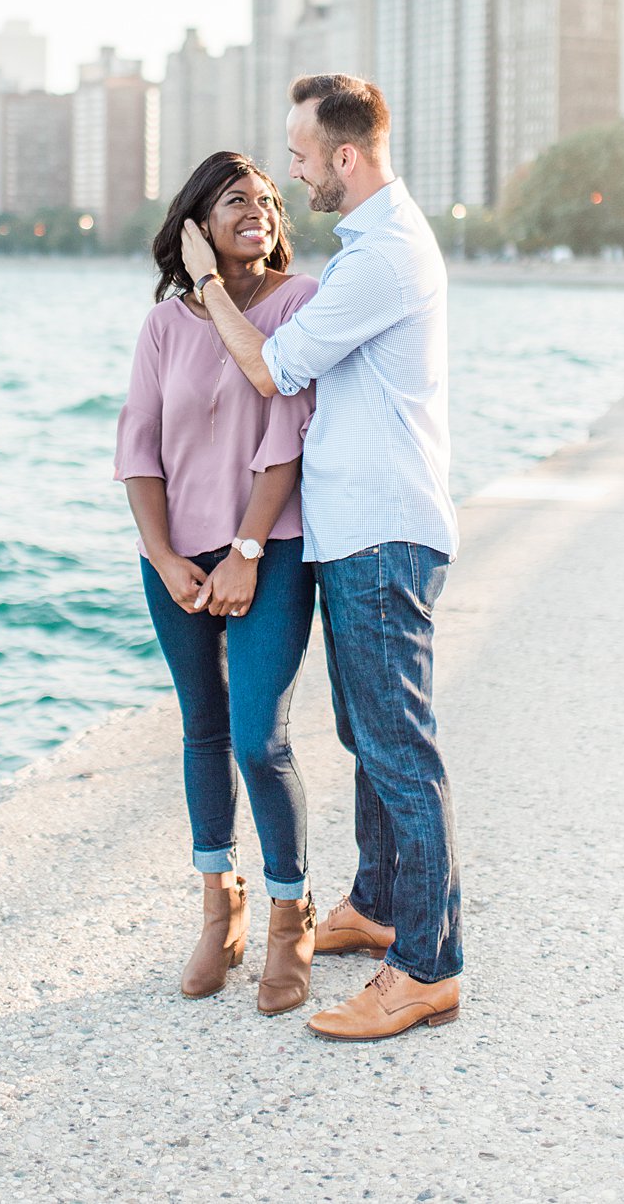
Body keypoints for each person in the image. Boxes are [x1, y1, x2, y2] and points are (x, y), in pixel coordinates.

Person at [181, 74, 461, 1043]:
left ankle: (426, 965)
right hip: (358, 536)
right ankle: (378, 902)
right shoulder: (368, 250)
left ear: (346, 156)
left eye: (299, 155)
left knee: (398, 749)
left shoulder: (381, 259)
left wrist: (206, 283)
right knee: (365, 733)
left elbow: (269, 366)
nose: (292, 169)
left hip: (383, 534)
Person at [115, 152, 320, 1015]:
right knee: (201, 731)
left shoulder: (298, 304)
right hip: (175, 561)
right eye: (238, 200)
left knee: (258, 738)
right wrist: (165, 558)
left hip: (268, 551)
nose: (261, 212)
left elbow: (289, 433)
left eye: (269, 201)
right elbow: (140, 447)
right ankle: (218, 905)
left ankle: (290, 915)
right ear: (199, 220)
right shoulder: (166, 324)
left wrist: (244, 550)